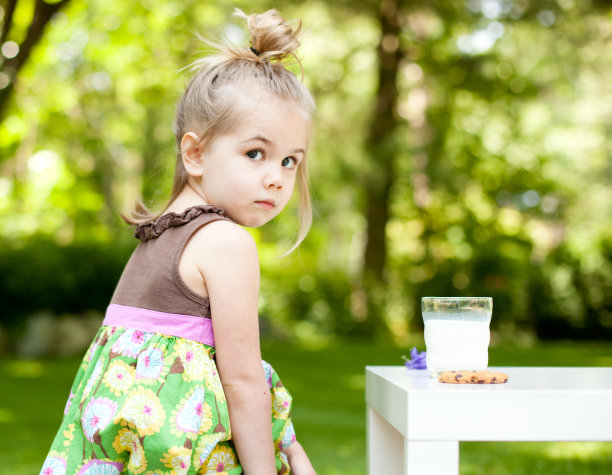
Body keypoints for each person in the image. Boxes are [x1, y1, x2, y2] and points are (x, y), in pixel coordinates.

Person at [40, 8, 317, 475]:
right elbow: (244, 381)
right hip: (180, 455)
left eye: (290, 161)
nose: (276, 178)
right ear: (195, 153)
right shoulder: (226, 242)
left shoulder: (160, 235)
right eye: (256, 153)